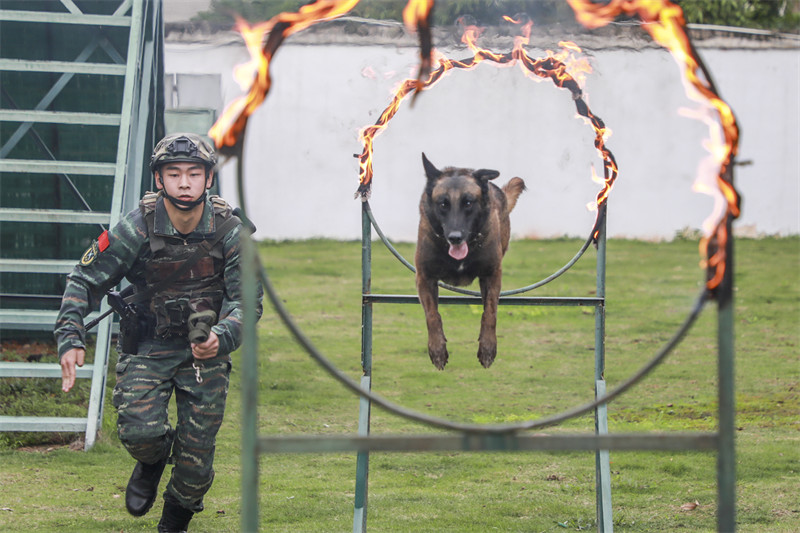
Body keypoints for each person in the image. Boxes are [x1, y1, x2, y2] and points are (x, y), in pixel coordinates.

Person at [55, 133, 262, 532]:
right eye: (174, 173)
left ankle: (173, 523)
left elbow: (247, 302)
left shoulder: (231, 232)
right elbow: (84, 279)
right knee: (139, 432)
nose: (184, 183)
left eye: (194, 174)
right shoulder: (137, 226)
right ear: (159, 179)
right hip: (149, 344)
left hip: (205, 349)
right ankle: (152, 459)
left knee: (196, 460)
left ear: (209, 178)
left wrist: (222, 336)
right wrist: (70, 337)